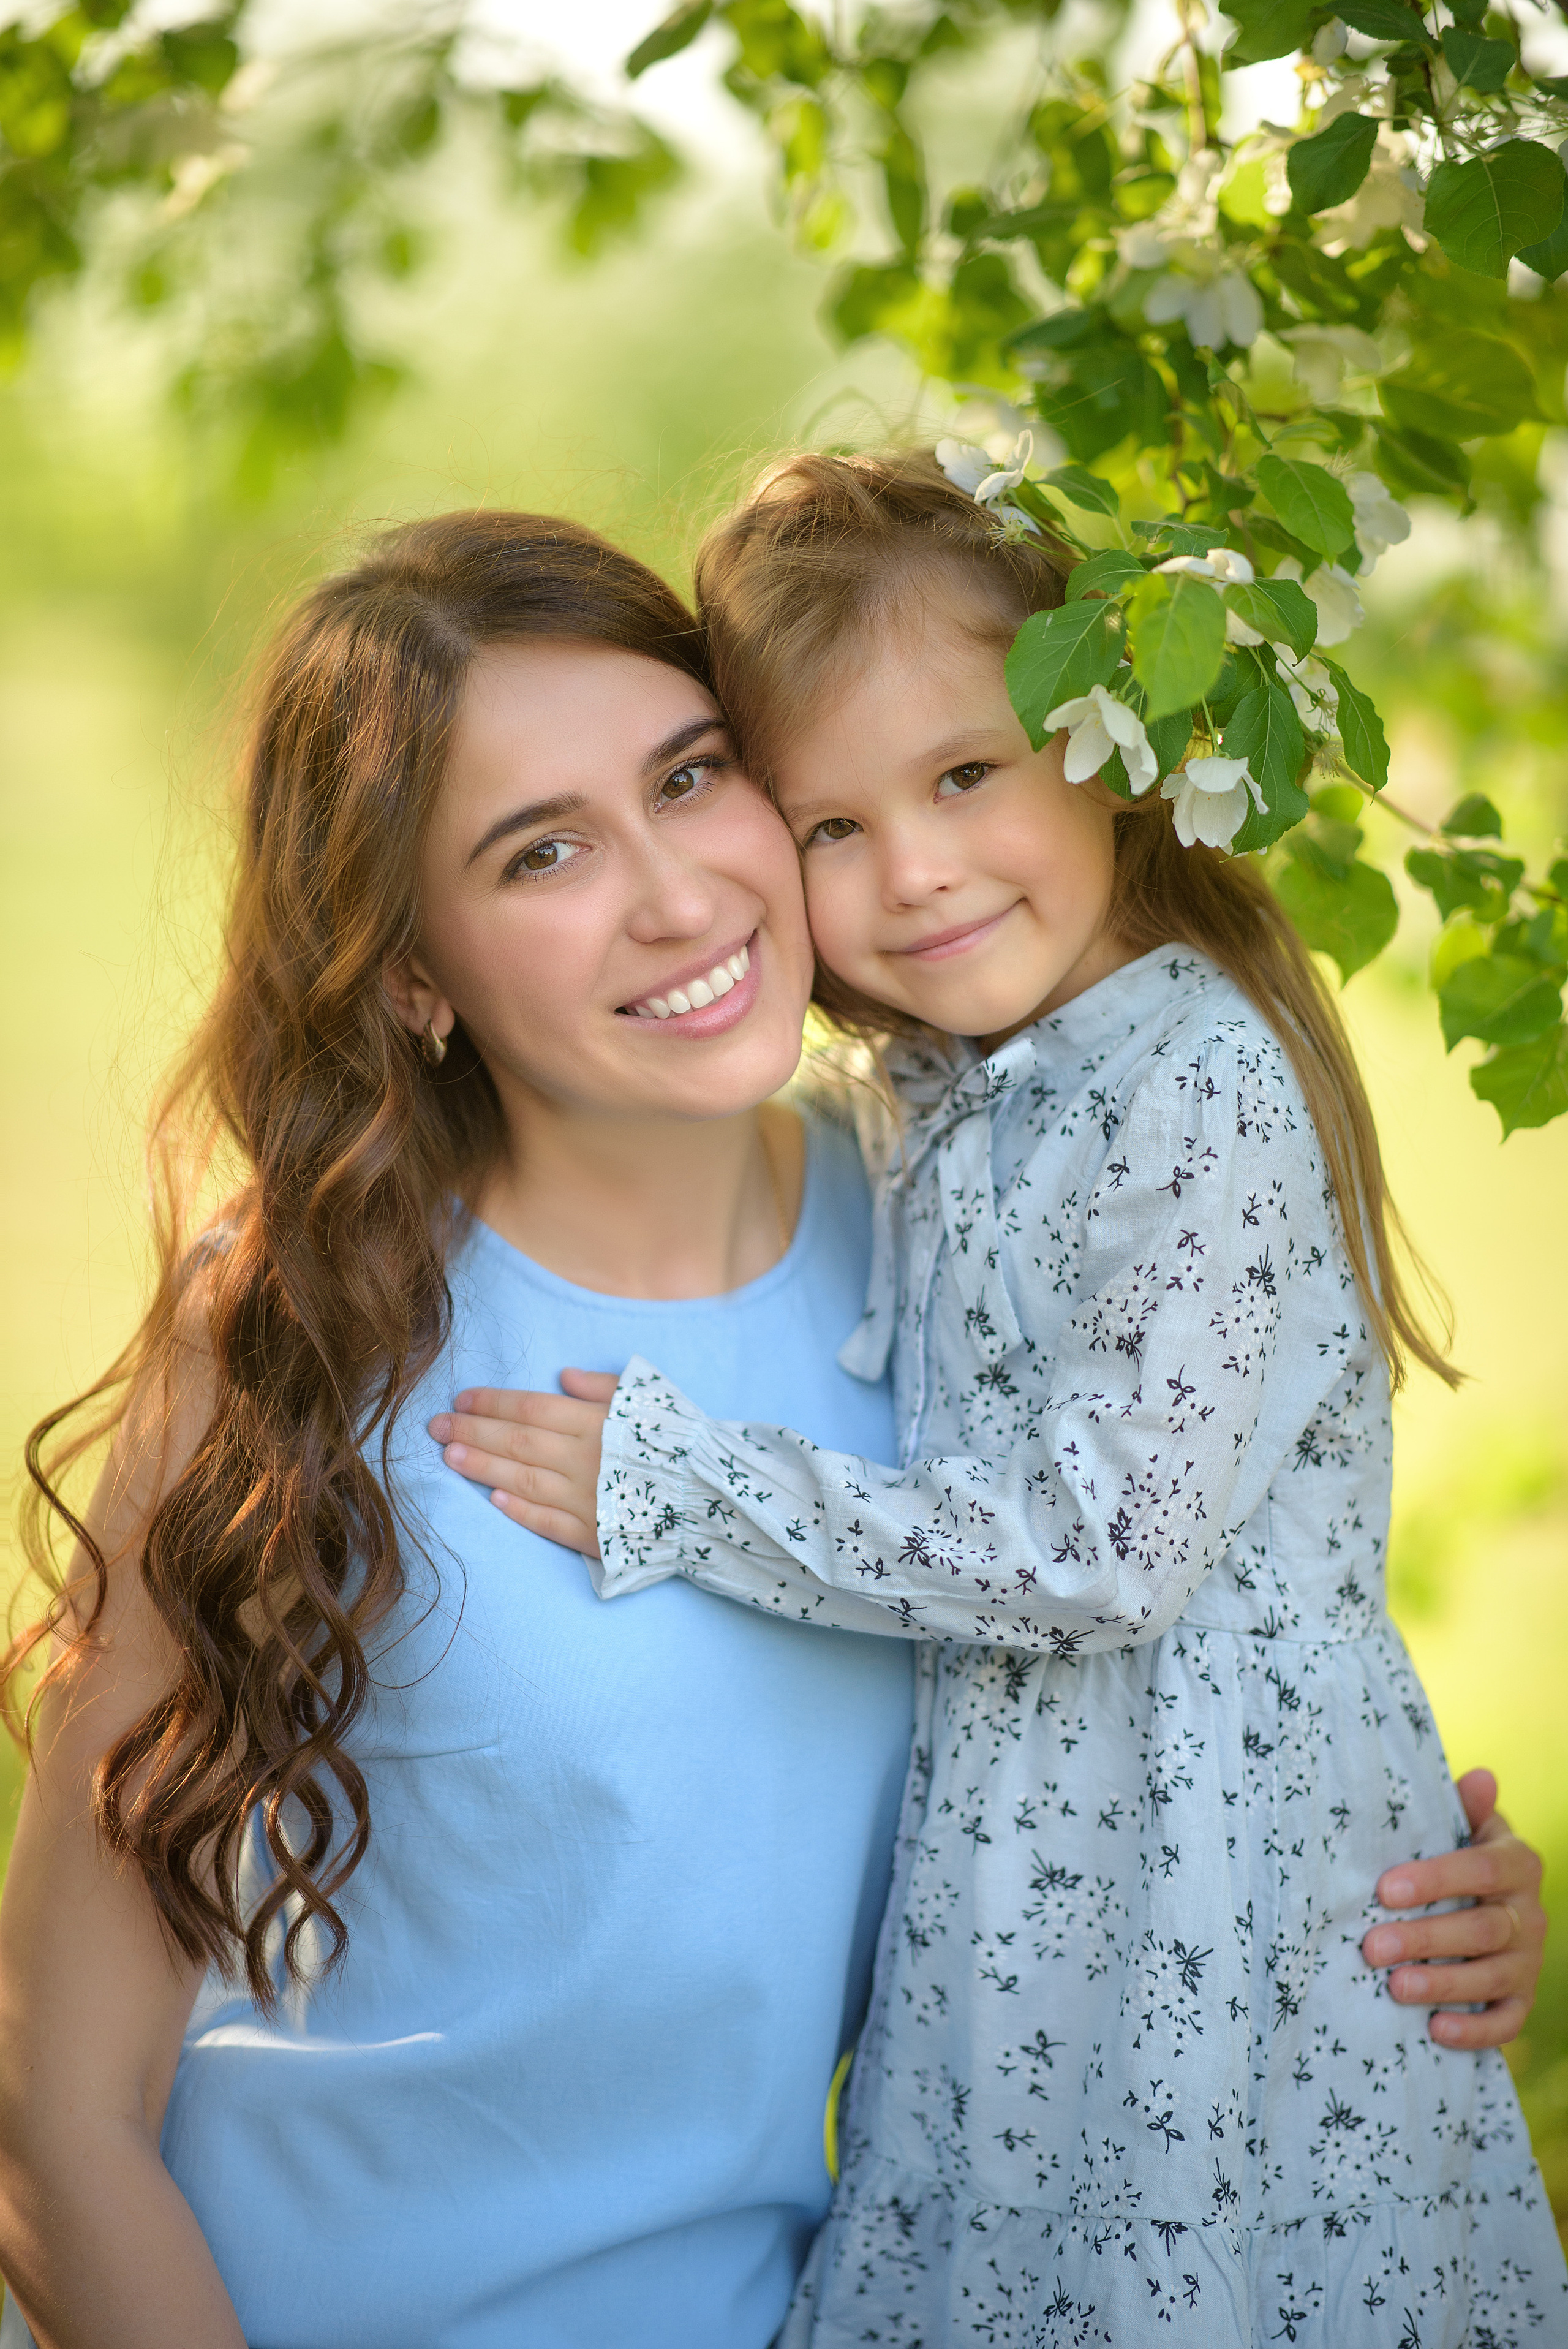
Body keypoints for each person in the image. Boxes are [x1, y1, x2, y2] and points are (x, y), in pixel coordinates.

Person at [439, 452, 1568, 2346]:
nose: (920, 871)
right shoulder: (937, 1093)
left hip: (1223, 1915)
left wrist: (691, 1486)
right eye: (832, 825)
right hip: (1042, 1913)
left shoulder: (1196, 1071)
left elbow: (1112, 1551)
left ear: (1113, 753)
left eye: (968, 773)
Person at [0, 511, 919, 2349]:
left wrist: (1388, 1897)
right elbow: (51, 2109)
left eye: (692, 774)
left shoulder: (953, 1243)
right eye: (543, 851)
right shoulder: (298, 1323)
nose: (676, 896)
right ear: (411, 974)